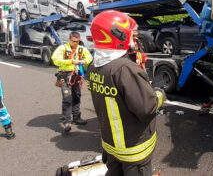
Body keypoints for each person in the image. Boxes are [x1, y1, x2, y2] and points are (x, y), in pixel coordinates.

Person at [86, 10, 165, 176]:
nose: (133, 38)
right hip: (133, 150)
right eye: (130, 34)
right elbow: (147, 108)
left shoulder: (94, 66)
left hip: (111, 144)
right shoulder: (124, 68)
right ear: (118, 35)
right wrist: (158, 93)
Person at [51, 32, 93, 134]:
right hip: (65, 76)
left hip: (77, 76)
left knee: (77, 96)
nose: (75, 43)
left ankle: (76, 117)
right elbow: (55, 59)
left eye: (77, 41)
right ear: (69, 40)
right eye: (73, 41)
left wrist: (83, 62)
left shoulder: (81, 49)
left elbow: (89, 58)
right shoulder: (62, 48)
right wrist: (70, 61)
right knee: (67, 98)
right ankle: (66, 122)